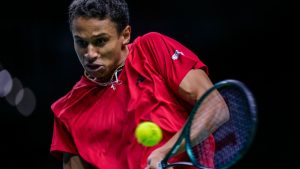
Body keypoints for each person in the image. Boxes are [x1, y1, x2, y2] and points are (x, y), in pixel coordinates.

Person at [49, 0, 229, 169]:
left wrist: (164, 152)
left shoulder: (151, 51)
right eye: (81, 42)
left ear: (125, 35)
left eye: (100, 41)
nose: (90, 53)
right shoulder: (67, 111)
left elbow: (215, 106)